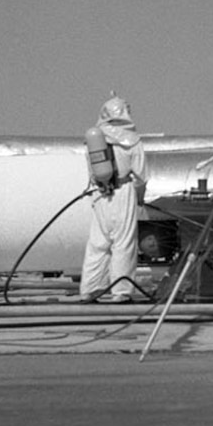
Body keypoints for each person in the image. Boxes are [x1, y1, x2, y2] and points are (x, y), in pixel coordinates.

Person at [80, 94, 146, 302]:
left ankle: (90, 289)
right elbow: (141, 176)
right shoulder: (133, 141)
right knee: (123, 243)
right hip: (123, 191)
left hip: (100, 193)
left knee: (98, 243)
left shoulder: (93, 140)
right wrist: (140, 198)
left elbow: (91, 171)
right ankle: (121, 292)